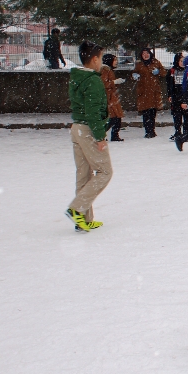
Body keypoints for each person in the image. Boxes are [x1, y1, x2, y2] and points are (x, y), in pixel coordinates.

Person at [65, 41, 112, 233]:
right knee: (105, 172)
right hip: (88, 129)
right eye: (100, 58)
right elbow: (93, 111)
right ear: (94, 59)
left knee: (83, 174)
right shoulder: (93, 80)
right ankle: (77, 208)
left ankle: (83, 219)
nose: (101, 62)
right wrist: (100, 137)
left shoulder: (76, 77)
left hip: (77, 127)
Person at [133, 47, 165, 138]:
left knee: (152, 112)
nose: (145, 55)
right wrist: (135, 75)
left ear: (150, 54)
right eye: (143, 54)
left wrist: (158, 72)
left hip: (154, 91)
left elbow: (163, 73)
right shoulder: (139, 64)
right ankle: (148, 131)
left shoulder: (156, 62)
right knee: (145, 112)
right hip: (143, 91)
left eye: (147, 53)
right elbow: (134, 73)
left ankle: (152, 130)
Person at [100, 53, 126, 142]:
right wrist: (114, 82)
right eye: (114, 60)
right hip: (109, 97)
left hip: (112, 97)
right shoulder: (104, 70)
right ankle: (100, 135)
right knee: (113, 118)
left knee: (116, 117)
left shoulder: (108, 70)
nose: (116, 62)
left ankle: (114, 135)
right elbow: (103, 83)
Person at [167, 53, 188, 141]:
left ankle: (187, 133)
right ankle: (178, 132)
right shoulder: (172, 71)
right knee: (177, 115)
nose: (182, 63)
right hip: (176, 96)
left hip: (186, 96)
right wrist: (170, 94)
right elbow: (169, 84)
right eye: (181, 61)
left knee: (187, 115)